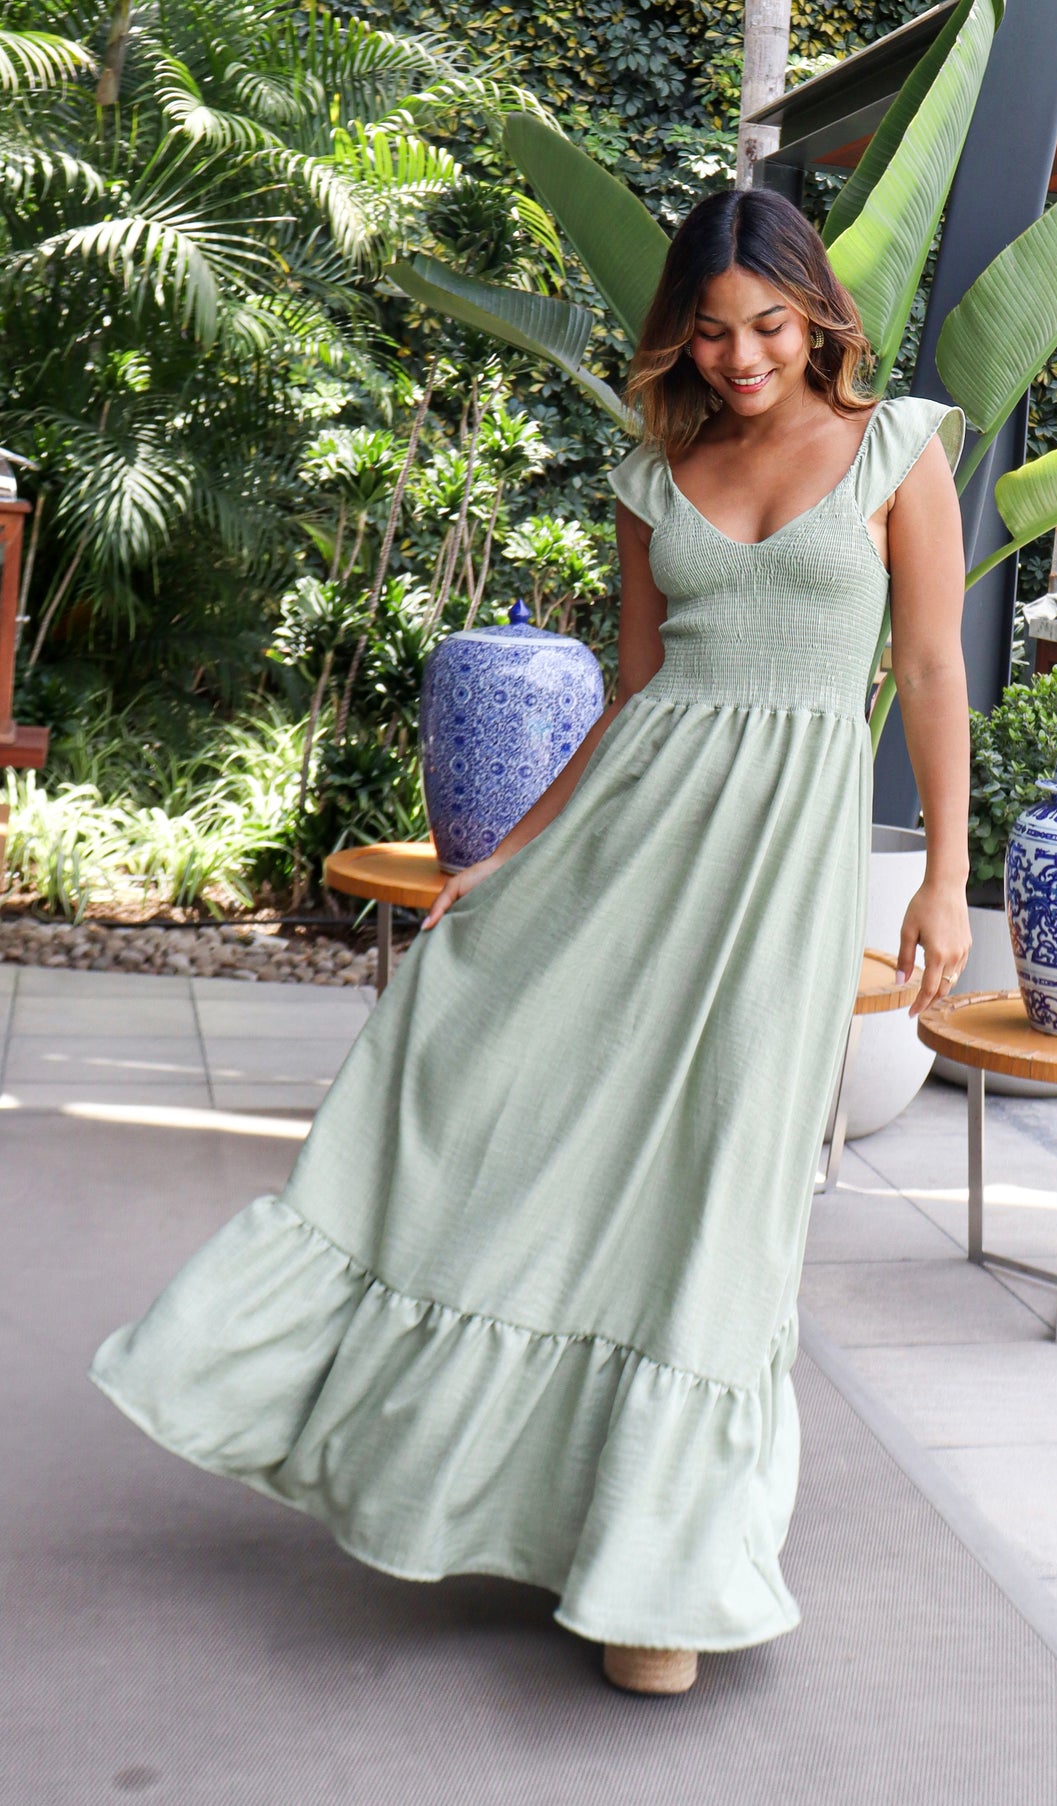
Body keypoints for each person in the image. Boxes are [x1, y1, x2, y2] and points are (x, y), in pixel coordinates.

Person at [88, 185, 972, 1697]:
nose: (744, 358)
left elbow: (935, 667)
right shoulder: (656, 473)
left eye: (769, 326)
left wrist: (945, 878)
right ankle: (491, 1478)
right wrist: (506, 858)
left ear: (817, 316)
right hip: (628, 847)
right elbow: (633, 694)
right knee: (526, 1127)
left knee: (725, 1183)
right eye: (713, 332)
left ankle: (661, 1560)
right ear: (680, 336)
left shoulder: (899, 451)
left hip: (777, 877)